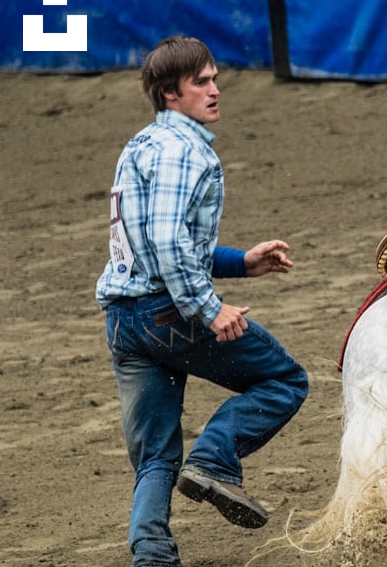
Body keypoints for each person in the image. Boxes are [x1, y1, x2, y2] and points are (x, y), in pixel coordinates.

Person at [96, 36, 310, 566]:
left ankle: (151, 554)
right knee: (284, 379)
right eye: (202, 82)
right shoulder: (186, 152)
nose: (215, 90)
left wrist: (241, 262)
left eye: (215, 78)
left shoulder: (139, 146)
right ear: (171, 93)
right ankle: (215, 461)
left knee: (156, 457)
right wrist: (209, 309)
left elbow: (155, 244)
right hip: (168, 315)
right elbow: (169, 245)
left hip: (124, 322)